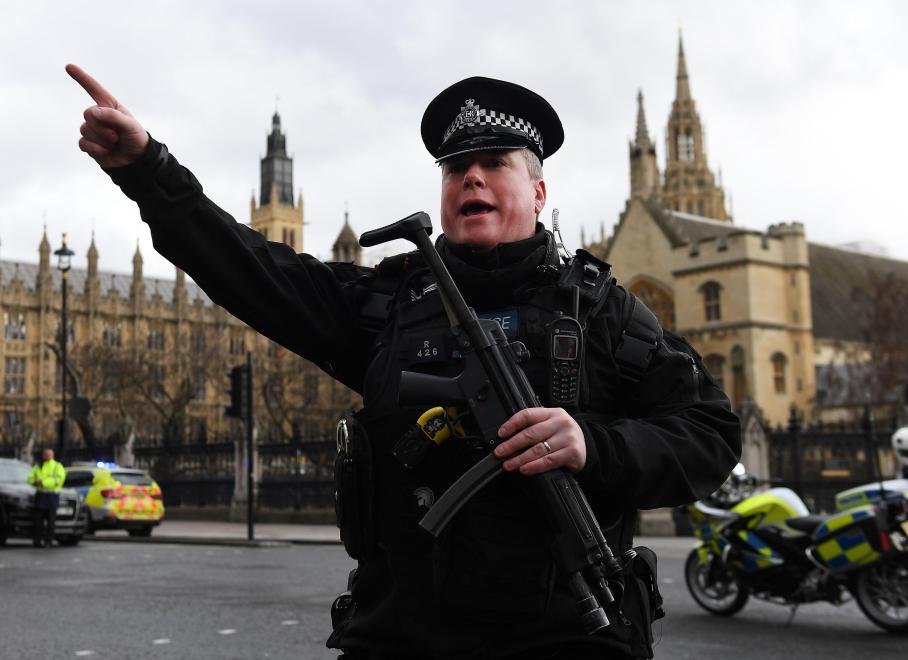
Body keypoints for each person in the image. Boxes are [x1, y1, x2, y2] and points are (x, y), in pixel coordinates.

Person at [67, 65, 741, 659]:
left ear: (537, 194)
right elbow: (250, 271)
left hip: (567, 631)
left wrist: (593, 445)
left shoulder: (602, 310)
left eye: (496, 161)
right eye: (454, 168)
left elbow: (710, 434)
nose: (470, 176)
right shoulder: (385, 301)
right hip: (401, 632)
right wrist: (149, 172)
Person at [27, 448, 66, 548]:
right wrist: (34, 482)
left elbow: (59, 480)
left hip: (52, 496)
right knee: (38, 521)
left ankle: (48, 542)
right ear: (43, 455)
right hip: (40, 496)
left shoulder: (57, 466)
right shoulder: (38, 466)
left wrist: (43, 483)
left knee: (51, 521)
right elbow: (30, 478)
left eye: (49, 454)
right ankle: (37, 541)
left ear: (52, 455)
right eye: (46, 454)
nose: (47, 456)